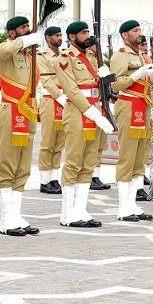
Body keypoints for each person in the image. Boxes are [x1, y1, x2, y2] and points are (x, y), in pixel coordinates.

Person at [56, 20, 113, 228]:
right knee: (73, 162)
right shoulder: (65, 58)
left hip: (96, 110)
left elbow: (102, 88)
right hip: (78, 113)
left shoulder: (92, 56)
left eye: (88, 31)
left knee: (89, 163)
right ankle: (66, 214)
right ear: (72, 37)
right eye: (83, 32)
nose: (87, 35)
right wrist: (94, 115)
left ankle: (80, 210)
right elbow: (71, 90)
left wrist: (106, 77)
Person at [0, 16, 44, 235]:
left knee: (23, 167)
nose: (27, 30)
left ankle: (16, 215)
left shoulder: (29, 55)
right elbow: (4, 52)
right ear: (12, 33)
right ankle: (6, 220)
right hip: (11, 111)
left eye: (28, 27)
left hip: (27, 111)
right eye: (23, 28)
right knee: (9, 165)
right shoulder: (5, 50)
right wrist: (26, 40)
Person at [108, 20, 153, 221]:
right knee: (128, 156)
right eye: (135, 31)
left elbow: (149, 82)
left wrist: (152, 76)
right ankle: (123, 207)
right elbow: (116, 86)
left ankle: (133, 205)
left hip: (144, 105)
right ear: (124, 35)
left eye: (140, 30)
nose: (139, 33)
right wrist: (138, 74)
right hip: (129, 106)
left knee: (140, 157)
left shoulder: (142, 55)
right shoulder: (120, 56)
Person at [37, 26, 65, 195]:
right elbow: (46, 80)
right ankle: (44, 180)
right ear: (48, 38)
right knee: (48, 142)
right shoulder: (42, 56)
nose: (59, 38)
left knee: (59, 143)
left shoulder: (64, 56)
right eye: (56, 35)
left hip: (64, 101)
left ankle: (54, 178)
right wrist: (59, 96)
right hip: (50, 100)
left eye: (61, 35)